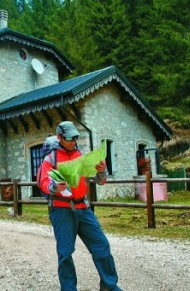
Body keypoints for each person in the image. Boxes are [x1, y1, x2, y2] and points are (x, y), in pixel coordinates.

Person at [38, 121, 122, 291]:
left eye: (76, 137)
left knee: (102, 246)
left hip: (83, 208)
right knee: (65, 253)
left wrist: (101, 171)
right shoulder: (50, 159)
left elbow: (100, 181)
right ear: (60, 137)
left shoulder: (80, 155)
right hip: (61, 209)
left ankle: (109, 286)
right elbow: (42, 181)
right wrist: (55, 187)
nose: (73, 141)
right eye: (69, 137)